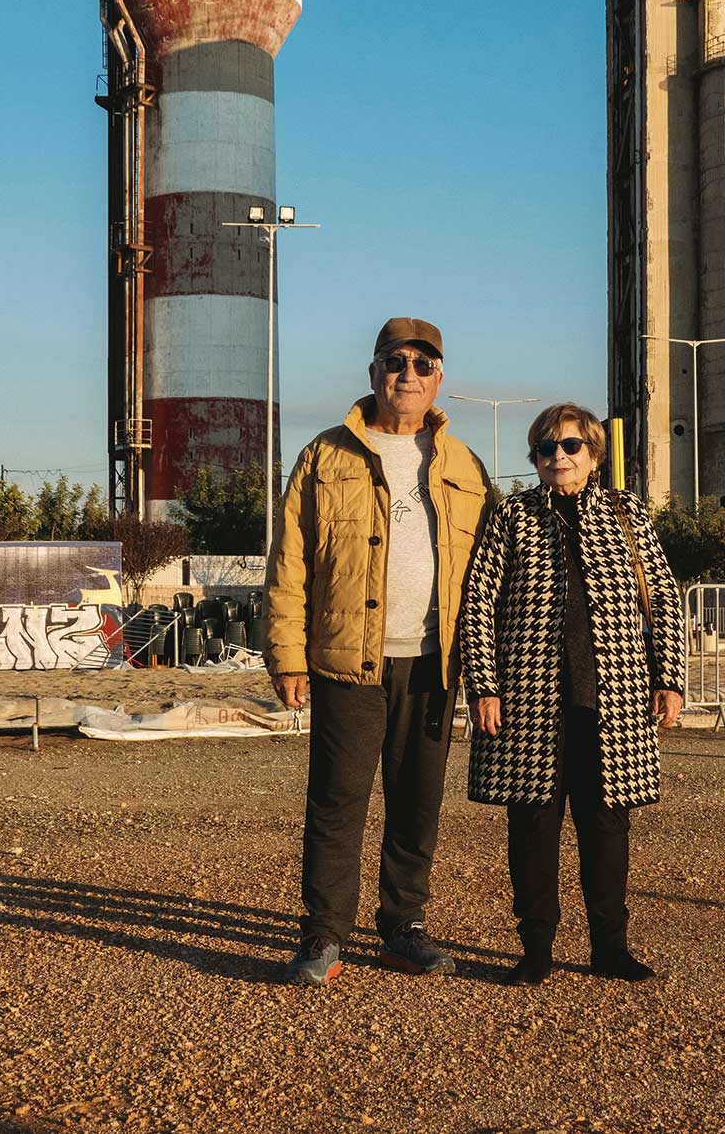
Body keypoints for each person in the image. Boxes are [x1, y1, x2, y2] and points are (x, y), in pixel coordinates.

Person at [266, 317, 493, 986]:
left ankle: (404, 929)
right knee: (338, 802)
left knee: (417, 800)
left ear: (440, 380)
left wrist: (490, 670)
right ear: (372, 374)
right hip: (346, 660)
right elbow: (289, 561)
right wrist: (286, 654)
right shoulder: (325, 455)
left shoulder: (463, 464)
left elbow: (490, 570)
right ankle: (323, 934)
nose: (408, 374)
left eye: (423, 365)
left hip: (433, 662)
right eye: (395, 362)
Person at [459, 402, 686, 986]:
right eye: (544, 448)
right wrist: (484, 686)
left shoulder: (627, 514)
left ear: (593, 454)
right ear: (533, 458)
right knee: (532, 828)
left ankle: (609, 948)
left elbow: (662, 599)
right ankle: (534, 948)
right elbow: (478, 605)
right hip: (529, 700)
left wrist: (670, 678)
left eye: (569, 446)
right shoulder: (512, 517)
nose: (557, 456)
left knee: (606, 828)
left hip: (613, 699)